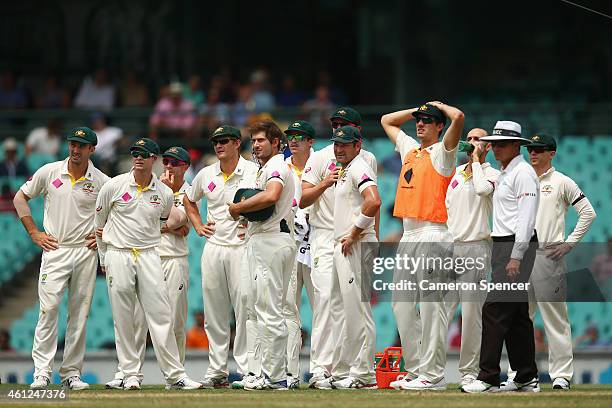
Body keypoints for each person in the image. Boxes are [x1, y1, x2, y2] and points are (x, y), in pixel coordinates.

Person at [94, 138, 201, 390]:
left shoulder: (164, 193)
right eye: (135, 153)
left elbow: (172, 221)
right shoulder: (114, 185)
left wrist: (182, 226)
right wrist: (103, 258)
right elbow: (99, 226)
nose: (138, 158)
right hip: (118, 254)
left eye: (144, 154)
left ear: (153, 159)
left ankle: (175, 375)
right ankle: (129, 374)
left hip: (150, 254)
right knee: (125, 318)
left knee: (162, 315)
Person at [13, 127, 109, 390]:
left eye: (82, 146)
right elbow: (20, 197)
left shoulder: (101, 181)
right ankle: (42, 372)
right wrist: (34, 232)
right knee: (49, 310)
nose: (76, 150)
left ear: (92, 149)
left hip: (85, 252)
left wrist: (102, 236)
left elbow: (117, 213)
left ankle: (71, 374)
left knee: (79, 314)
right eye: (73, 145)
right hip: (55, 248)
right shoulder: (50, 171)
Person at [503, 133, 596, 391]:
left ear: (552, 153)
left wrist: (569, 243)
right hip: (520, 256)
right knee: (520, 318)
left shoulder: (562, 181)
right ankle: (520, 375)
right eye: (531, 149)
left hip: (547, 255)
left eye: (540, 150)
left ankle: (561, 376)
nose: (533, 153)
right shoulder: (521, 179)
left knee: (555, 318)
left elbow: (588, 212)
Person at [380, 102, 464, 390]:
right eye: (419, 120)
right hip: (408, 235)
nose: (420, 123)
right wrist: (418, 108)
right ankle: (417, 370)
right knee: (401, 305)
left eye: (428, 120)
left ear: (439, 126)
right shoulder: (410, 150)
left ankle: (434, 374)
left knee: (431, 308)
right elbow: (387, 121)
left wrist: (440, 107)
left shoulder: (443, 153)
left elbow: (459, 118)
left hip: (434, 233)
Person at [299, 107, 377, 389]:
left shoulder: (365, 160)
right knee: (327, 304)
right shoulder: (320, 157)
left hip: (353, 239)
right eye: (334, 125)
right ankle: (323, 368)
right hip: (324, 237)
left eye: (343, 126)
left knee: (357, 305)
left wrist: (368, 236)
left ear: (357, 132)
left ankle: (360, 369)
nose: (337, 130)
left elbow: (372, 202)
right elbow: (303, 199)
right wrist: (323, 183)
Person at [462, 121, 540, 393]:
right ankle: (526, 377)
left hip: (515, 246)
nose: (496, 148)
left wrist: (516, 255)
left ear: (517, 145)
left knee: (493, 310)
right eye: (494, 143)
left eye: (502, 143)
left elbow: (527, 218)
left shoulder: (523, 173)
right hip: (504, 245)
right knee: (517, 314)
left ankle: (488, 377)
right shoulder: (507, 172)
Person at [184, 125, 258, 389]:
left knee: (245, 308)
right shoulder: (206, 174)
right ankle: (217, 370)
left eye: (224, 141)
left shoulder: (252, 171)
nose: (218, 146)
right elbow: (188, 200)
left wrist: (253, 223)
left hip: (242, 246)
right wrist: (197, 225)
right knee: (214, 312)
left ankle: (248, 369)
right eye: (215, 141)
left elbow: (268, 200)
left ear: (237, 143)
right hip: (214, 247)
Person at [228, 120, 296, 390]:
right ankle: (263, 373)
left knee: (270, 311)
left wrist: (238, 208)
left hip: (272, 239)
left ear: (276, 142)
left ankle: (276, 376)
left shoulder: (278, 165)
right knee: (258, 308)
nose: (255, 145)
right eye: (253, 141)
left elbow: (272, 196)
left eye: (261, 140)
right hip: (263, 238)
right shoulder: (264, 168)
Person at [444, 128, 500, 387]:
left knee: (470, 313)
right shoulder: (456, 173)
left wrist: (476, 161)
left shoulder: (492, 174)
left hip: (476, 247)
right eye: (470, 138)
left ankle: (469, 371)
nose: (472, 142)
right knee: (439, 311)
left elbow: (481, 190)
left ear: (487, 147)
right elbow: (448, 211)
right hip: (450, 248)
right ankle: (429, 372)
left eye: (479, 139)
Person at [328, 126, 381, 389]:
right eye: (337, 144)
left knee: (358, 311)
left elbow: (374, 201)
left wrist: (354, 232)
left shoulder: (360, 167)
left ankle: (363, 374)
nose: (339, 149)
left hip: (355, 243)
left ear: (357, 146)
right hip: (345, 244)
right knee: (341, 310)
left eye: (345, 145)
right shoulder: (346, 169)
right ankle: (342, 370)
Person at [283, 120, 315, 389]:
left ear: (310, 141)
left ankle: (319, 371)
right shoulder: (280, 167)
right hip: (289, 244)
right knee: (288, 309)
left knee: (322, 309)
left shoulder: (324, 162)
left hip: (317, 242)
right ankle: (290, 372)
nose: (294, 141)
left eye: (300, 137)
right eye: (291, 136)